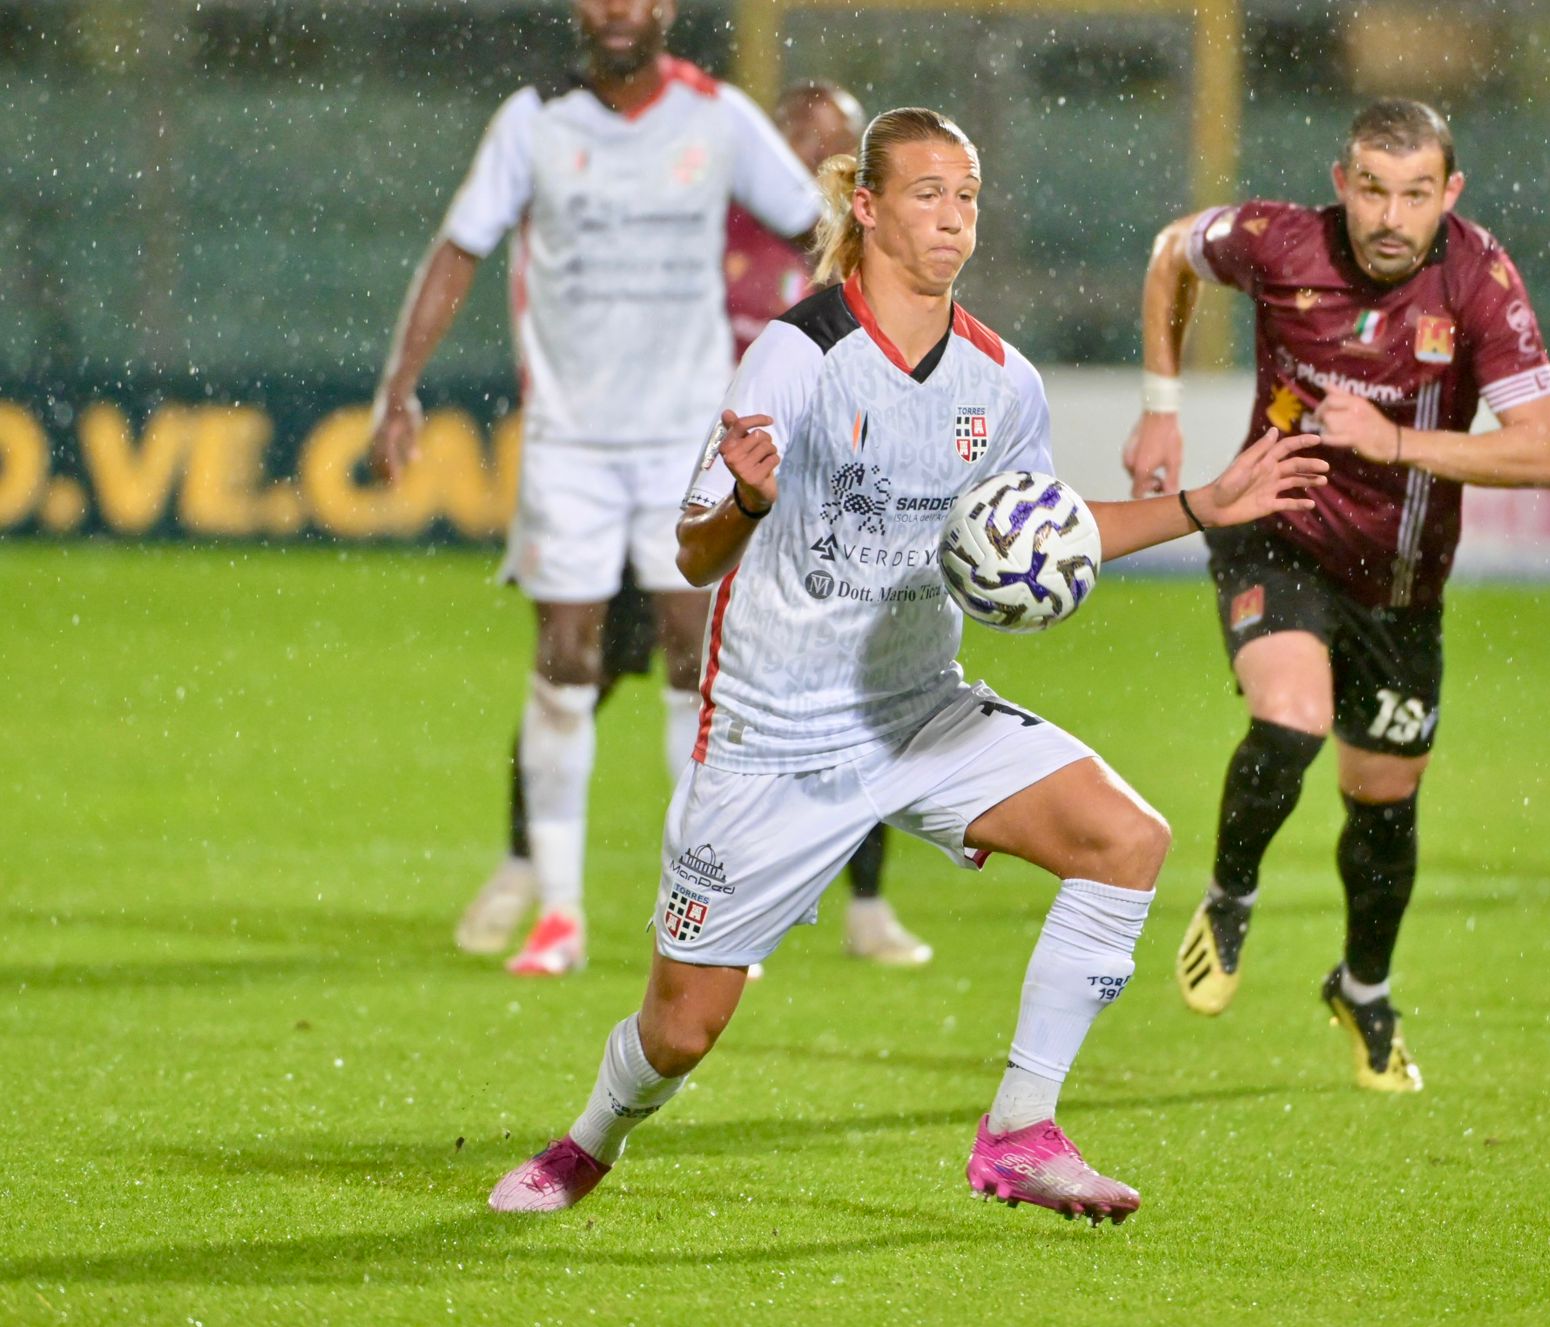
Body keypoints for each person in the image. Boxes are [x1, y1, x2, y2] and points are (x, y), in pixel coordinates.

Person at [487, 107, 1328, 1224]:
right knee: (681, 1028)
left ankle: (1021, 1131)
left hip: (921, 712)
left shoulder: (1001, 382)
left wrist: (1199, 507)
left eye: (967, 196)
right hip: (773, 737)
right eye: (926, 193)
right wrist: (741, 496)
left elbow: (1047, 524)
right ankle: (589, 1141)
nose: (951, 218)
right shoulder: (797, 354)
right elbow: (692, 551)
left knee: (1125, 839)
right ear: (869, 208)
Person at [370, 0, 825, 977]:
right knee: (565, 659)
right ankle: (559, 912)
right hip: (569, 441)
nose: (620, 10)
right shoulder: (533, 121)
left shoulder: (717, 116)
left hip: (685, 437)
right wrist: (398, 387)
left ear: (663, 9)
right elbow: (460, 248)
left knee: (693, 659)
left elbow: (821, 230)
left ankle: (701, 904)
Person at [1122, 99, 1550, 1091]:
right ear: (1341, 181)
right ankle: (1230, 895)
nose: (1388, 216)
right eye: (1371, 188)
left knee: (1383, 797)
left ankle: (1362, 988)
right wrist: (1160, 411)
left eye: (1414, 194)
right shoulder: (1277, 242)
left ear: (1447, 195)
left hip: (1398, 583)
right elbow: (1168, 254)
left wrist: (1394, 441)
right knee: (1290, 717)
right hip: (1270, 527)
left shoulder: (1478, 280)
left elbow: (1545, 452)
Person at [451, 77, 934, 969]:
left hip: (812, 513)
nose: (806, 156)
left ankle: (862, 902)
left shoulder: (864, 264)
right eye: (794, 135)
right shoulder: (707, 222)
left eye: (832, 143)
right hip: (691, 499)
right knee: (578, 672)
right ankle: (528, 868)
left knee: (842, 697)